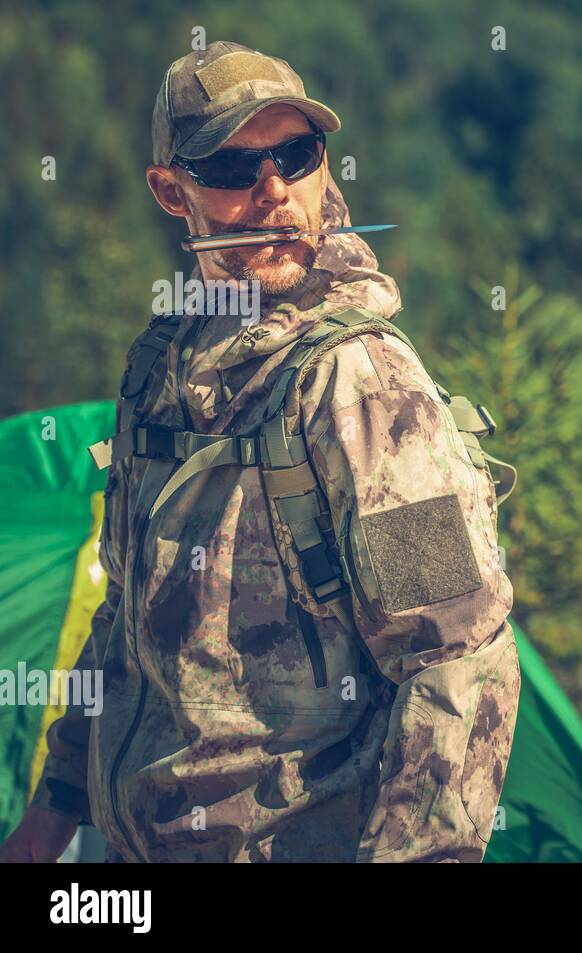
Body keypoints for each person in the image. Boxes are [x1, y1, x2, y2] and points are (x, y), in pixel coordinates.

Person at [0, 41, 519, 863]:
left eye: (296, 155)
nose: (275, 190)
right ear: (173, 192)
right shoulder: (162, 368)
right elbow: (126, 614)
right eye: (233, 166)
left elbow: (456, 655)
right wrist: (58, 799)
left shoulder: (360, 382)